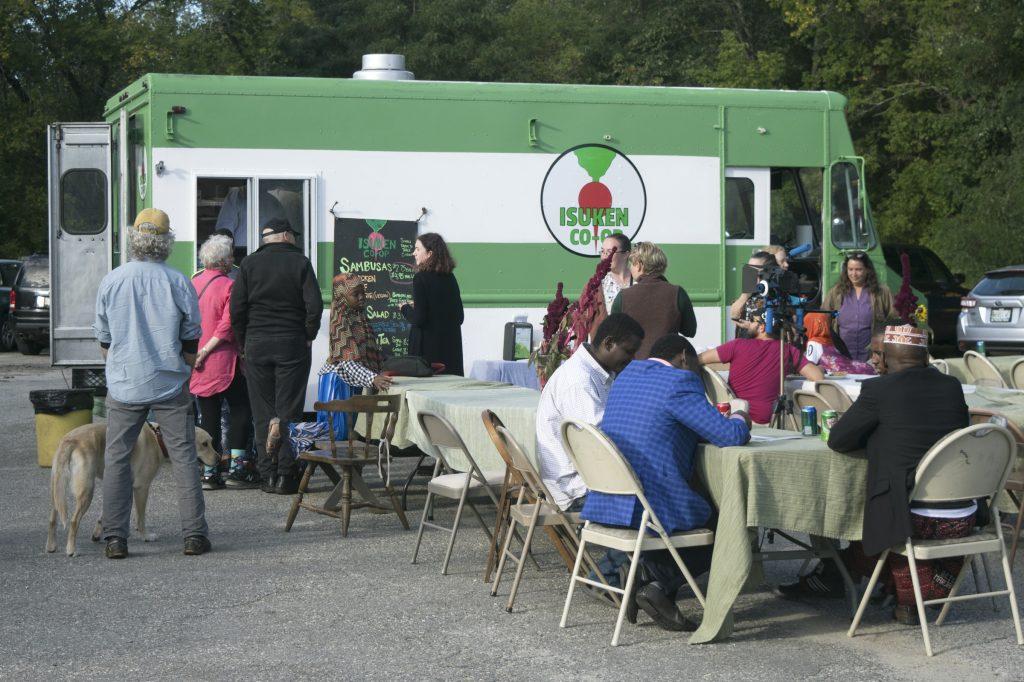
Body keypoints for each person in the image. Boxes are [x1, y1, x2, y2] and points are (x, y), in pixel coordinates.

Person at [779, 324, 972, 625]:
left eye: (879, 356)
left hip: (911, 517)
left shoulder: (879, 390)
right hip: (963, 510)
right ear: (924, 356)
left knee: (861, 512)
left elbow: (839, 440)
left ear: (886, 358)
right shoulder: (952, 386)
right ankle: (870, 581)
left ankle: (866, 580)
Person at [582, 333, 751, 631]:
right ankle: (655, 583)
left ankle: (645, 582)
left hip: (607, 499)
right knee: (729, 520)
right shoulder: (680, 383)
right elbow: (730, 437)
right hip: (647, 505)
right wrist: (739, 415)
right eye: (697, 368)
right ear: (685, 358)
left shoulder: (627, 374)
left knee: (695, 507)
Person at [93, 208, 210, 558]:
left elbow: (103, 337)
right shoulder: (177, 281)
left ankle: (115, 537)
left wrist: (119, 367)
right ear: (166, 242)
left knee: (116, 458)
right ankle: (194, 536)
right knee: (185, 457)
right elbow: (191, 335)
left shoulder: (112, 280)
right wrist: (185, 367)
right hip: (169, 383)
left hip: (125, 383)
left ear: (134, 239)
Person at [230, 218, 323, 495]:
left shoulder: (248, 264)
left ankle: (267, 473)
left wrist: (244, 342)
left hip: (257, 343)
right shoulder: (300, 263)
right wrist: (308, 334)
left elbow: (237, 310)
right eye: (292, 234)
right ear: (285, 236)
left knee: (262, 411)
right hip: (292, 343)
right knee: (289, 410)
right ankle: (285, 475)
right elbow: (314, 306)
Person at [536, 313, 645, 512]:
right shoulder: (579, 381)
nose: (632, 359)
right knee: (660, 492)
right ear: (609, 343)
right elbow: (601, 443)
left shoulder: (594, 372)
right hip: (575, 490)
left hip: (581, 479)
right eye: (629, 352)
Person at [191, 235, 257, 490]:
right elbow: (228, 325)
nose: (233, 260)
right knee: (241, 408)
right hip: (224, 360)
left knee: (207, 415)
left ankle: (209, 472)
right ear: (223, 261)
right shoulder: (230, 286)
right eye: (230, 256)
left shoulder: (193, 283)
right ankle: (237, 470)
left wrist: (196, 354)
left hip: (197, 362)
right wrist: (207, 351)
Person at [699, 313, 825, 424]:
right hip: (766, 420)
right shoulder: (788, 350)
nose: (749, 325)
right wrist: (819, 367)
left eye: (753, 321)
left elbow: (698, 359)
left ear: (762, 327)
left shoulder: (737, 345)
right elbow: (818, 377)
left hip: (733, 416)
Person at [611, 241, 697, 359]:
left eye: (632, 263)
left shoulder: (623, 297)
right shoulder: (677, 293)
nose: (630, 268)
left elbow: (613, 336)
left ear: (639, 264)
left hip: (634, 369)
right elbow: (690, 331)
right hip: (668, 367)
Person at [401, 233, 465, 375]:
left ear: (429, 253)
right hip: (450, 354)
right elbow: (459, 317)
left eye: (417, 249)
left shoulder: (420, 278)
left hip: (427, 357)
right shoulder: (450, 278)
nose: (414, 253)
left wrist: (405, 308)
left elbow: (419, 319)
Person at [319, 272, 392, 391]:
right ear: (342, 297)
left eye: (363, 293)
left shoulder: (360, 317)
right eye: (355, 294)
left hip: (358, 381)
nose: (361, 297)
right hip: (338, 383)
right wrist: (373, 378)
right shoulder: (340, 321)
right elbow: (347, 362)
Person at [823, 251, 894, 363]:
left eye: (858, 270)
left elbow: (893, 318)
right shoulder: (836, 292)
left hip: (871, 358)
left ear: (867, 270)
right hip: (842, 357)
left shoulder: (881, 292)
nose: (854, 274)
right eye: (850, 269)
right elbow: (823, 317)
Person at [802, 312, 875, 375]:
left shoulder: (813, 343)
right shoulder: (830, 341)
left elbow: (809, 366)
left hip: (837, 373)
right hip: (855, 367)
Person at [728, 250, 774, 336]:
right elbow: (734, 316)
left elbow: (771, 332)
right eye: (749, 271)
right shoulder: (750, 293)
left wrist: (750, 326)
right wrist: (745, 295)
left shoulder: (775, 296)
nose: (751, 276)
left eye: (756, 272)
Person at [599, 234, 632, 313]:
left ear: (626, 254)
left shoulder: (639, 280)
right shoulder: (599, 283)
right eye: (602, 251)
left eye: (609, 252)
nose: (604, 257)